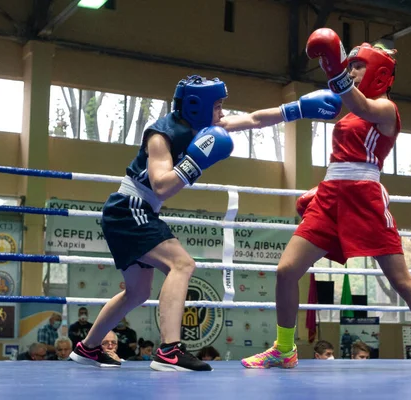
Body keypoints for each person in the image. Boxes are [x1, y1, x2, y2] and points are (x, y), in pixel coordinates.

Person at [69, 74, 342, 372]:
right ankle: (170, 351)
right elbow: (161, 186)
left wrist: (297, 110)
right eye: (218, 106)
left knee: (137, 292)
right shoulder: (160, 136)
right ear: (198, 106)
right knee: (182, 265)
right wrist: (195, 162)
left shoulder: (205, 127)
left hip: (137, 211)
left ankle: (88, 348)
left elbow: (253, 119)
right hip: (130, 208)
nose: (222, 112)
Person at [241, 28, 411, 371]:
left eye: (358, 66)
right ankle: (284, 349)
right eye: (350, 66)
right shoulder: (348, 111)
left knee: (401, 280)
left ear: (379, 74)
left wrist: (333, 68)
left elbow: (359, 102)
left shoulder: (386, 110)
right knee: (286, 270)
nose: (352, 71)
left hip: (365, 198)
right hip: (331, 196)